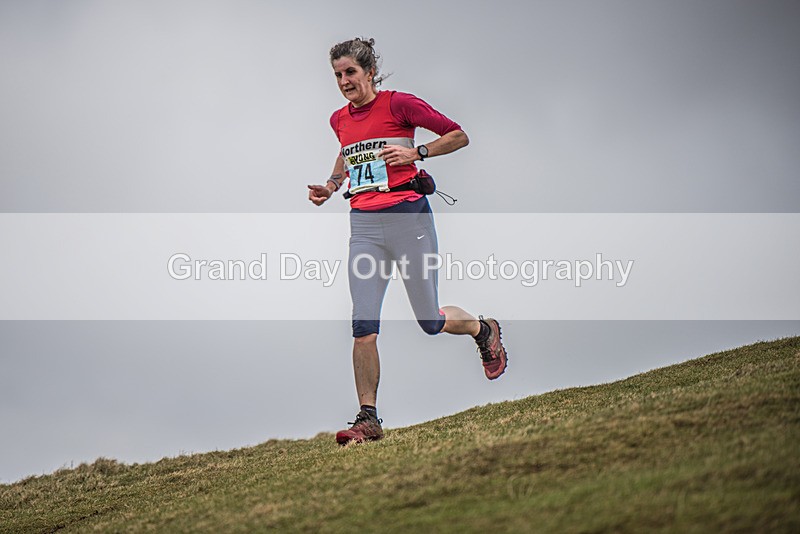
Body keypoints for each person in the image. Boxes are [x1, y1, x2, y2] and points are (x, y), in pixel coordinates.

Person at [308, 37, 508, 445]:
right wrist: (331, 185)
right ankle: (368, 419)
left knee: (429, 321)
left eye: (350, 72)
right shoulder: (338, 119)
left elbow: (457, 135)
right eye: (338, 75)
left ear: (369, 73)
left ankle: (482, 330)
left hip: (409, 220)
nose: (344, 81)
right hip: (363, 226)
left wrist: (416, 153)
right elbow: (347, 154)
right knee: (363, 324)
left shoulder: (400, 104)